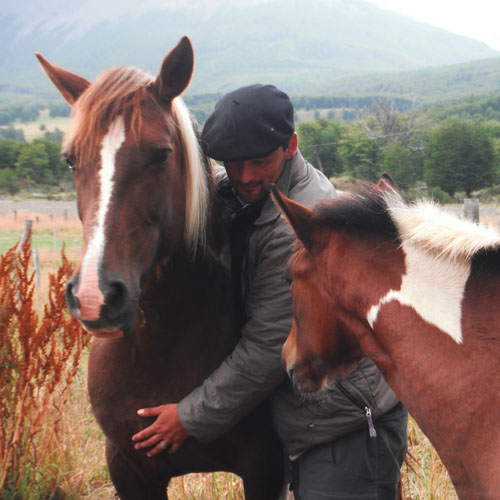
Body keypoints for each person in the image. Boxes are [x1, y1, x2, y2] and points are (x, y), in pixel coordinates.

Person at [132, 84, 408, 499]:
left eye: (258, 162)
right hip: (316, 417)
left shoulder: (297, 224)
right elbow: (222, 184)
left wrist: (187, 417)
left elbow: (266, 348)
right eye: (233, 163)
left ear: (291, 145)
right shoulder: (259, 188)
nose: (244, 177)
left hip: (345, 423)